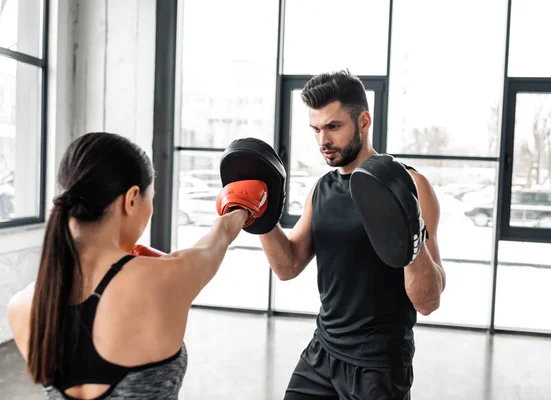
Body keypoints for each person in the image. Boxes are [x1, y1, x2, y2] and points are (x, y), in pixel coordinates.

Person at [7, 132, 268, 399]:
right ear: (131, 199)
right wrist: (242, 208)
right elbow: (215, 242)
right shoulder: (161, 280)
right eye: (150, 198)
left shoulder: (22, 306)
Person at [259, 71, 446, 399]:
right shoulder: (322, 189)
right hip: (323, 350)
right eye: (316, 129)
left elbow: (428, 302)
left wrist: (410, 240)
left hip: (378, 367)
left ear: (363, 121)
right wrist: (261, 220)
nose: (323, 141)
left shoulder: (410, 186)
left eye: (333, 127)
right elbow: (288, 266)